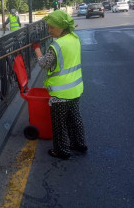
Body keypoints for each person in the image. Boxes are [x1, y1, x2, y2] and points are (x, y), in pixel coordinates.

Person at [32, 10, 87, 160]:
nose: (49, 30)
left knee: (59, 123)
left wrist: (37, 48)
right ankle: (79, 144)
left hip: (60, 93)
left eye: (51, 27)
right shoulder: (74, 38)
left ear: (61, 27)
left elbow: (44, 63)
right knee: (75, 118)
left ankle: (61, 151)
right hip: (75, 89)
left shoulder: (55, 46)